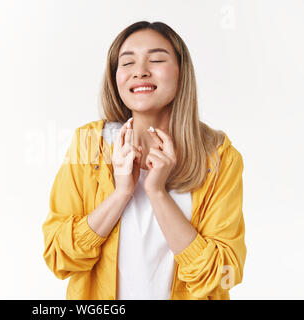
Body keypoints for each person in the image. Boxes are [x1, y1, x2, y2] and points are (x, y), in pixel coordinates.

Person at [42, 21, 246, 300]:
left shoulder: (219, 157)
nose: (140, 71)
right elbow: (58, 257)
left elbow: (223, 273)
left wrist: (157, 193)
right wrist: (121, 193)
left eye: (157, 59)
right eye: (127, 63)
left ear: (181, 73)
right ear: (115, 78)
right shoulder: (89, 144)